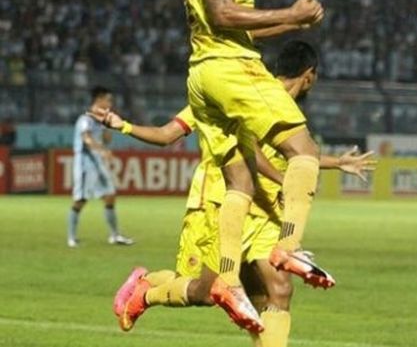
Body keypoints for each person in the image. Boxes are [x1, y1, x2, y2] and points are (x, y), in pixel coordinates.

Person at [97, 42, 375, 346]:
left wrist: (335, 163)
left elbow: (292, 154)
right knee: (207, 292)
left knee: (277, 291)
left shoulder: (280, 106)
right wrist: (122, 126)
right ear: (309, 75)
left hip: (265, 210)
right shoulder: (237, 92)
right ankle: (146, 291)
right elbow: (240, 147)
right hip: (223, 202)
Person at [183, 0, 327, 331]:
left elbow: (230, 24)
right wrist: (289, 14)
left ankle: (226, 279)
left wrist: (286, 23)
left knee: (240, 178)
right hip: (229, 69)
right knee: (305, 152)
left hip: (207, 71)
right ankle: (289, 245)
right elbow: (223, 13)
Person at [68, 86, 133, 248]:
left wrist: (108, 126)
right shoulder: (85, 120)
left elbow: (107, 139)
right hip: (85, 164)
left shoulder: (101, 120)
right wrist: (103, 151)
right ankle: (71, 237)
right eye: (108, 99)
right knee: (80, 200)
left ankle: (115, 235)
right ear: (99, 100)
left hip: (98, 163)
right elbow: (87, 139)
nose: (110, 102)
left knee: (110, 195)